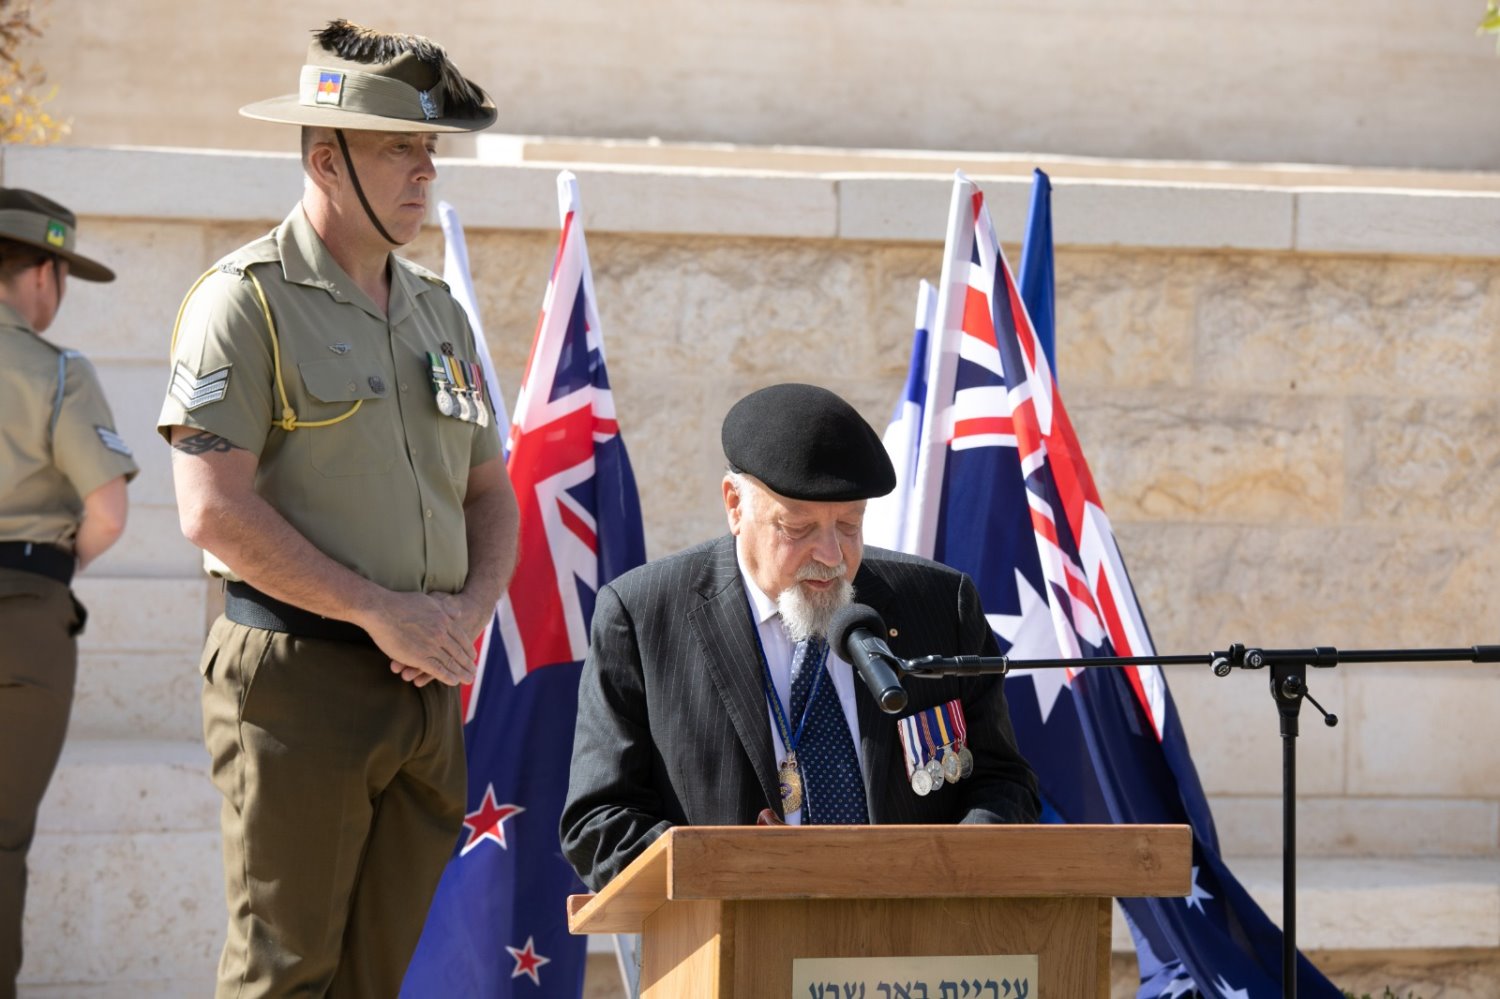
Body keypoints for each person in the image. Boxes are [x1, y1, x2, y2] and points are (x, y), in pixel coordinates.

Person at [156, 20, 519, 997]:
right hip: (295, 687)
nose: (424, 174)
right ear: (326, 158)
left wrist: (467, 612)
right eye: (400, 148)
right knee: (284, 974)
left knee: (376, 979)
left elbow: (492, 492)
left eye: (430, 151)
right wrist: (377, 608)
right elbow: (211, 510)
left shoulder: (440, 311)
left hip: (424, 690)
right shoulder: (245, 301)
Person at [561, 382, 1039, 891]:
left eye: (849, 525)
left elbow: (1003, 784)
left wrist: (944, 870)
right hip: (730, 948)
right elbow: (598, 824)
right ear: (735, 505)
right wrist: (738, 873)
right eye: (799, 528)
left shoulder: (942, 604)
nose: (831, 555)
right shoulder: (642, 616)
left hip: (912, 946)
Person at [0, 189, 134, 999]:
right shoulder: (57, 373)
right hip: (24, 619)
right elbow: (109, 514)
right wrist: (45, 574)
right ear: (44, 273)